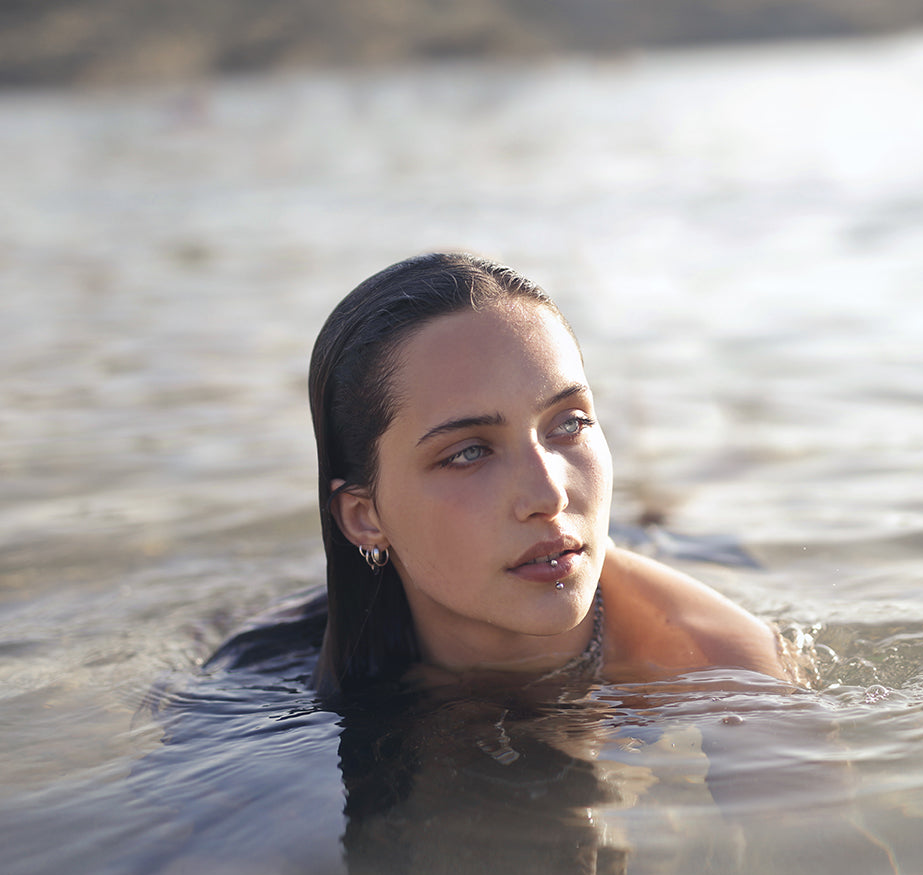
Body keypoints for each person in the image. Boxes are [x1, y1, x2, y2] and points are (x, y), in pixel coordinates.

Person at [309, 252, 796, 696]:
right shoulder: (273, 672)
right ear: (363, 517)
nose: (548, 495)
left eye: (569, 423)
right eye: (469, 453)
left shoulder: (729, 671)